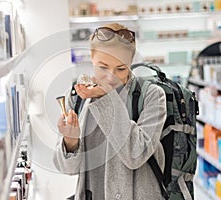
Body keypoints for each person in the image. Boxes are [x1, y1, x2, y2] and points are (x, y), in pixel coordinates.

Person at [53, 23, 167, 200]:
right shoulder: (77, 98)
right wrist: (70, 140)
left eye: (121, 68)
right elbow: (68, 169)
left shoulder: (152, 96)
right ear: (92, 57)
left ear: (130, 63)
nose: (111, 77)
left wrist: (106, 98)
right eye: (103, 67)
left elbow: (135, 155)